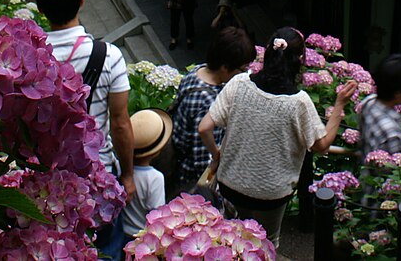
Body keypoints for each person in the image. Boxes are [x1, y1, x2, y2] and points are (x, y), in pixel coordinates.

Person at [198, 27, 357, 246]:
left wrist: (217, 155)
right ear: (299, 60)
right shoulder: (299, 102)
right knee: (265, 245)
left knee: (229, 241)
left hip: (230, 184)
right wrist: (339, 104)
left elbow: (204, 128)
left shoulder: (239, 83)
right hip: (271, 195)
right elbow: (321, 146)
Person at [34, 0, 134, 259]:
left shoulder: (34, 56)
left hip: (46, 176)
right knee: (107, 248)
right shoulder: (109, 56)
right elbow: (120, 124)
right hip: (97, 172)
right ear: (82, 1)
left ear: (41, 9)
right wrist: (127, 175)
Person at [172, 27, 256, 195]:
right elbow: (202, 159)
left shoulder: (197, 71)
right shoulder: (207, 102)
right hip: (190, 179)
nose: (246, 73)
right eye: (243, 69)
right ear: (225, 67)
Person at [358, 53, 401, 160]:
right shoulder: (391, 133)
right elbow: (395, 170)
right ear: (398, 93)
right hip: (378, 176)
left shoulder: (368, 102)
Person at [122, 108, 172, 240]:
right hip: (142, 239)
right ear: (157, 151)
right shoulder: (155, 178)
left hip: (120, 233)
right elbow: (158, 215)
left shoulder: (121, 168)